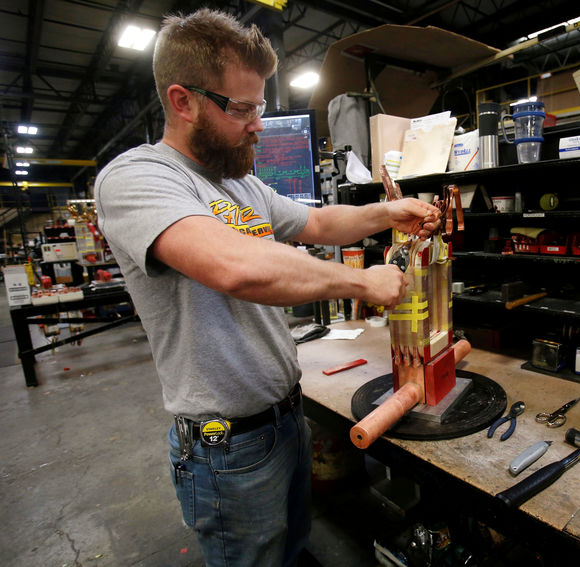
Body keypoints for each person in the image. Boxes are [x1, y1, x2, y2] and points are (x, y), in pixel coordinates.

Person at [94, 8, 441, 567]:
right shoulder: (138, 179)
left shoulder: (239, 182)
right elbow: (236, 267)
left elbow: (320, 224)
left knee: (294, 549)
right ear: (183, 101)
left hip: (286, 420)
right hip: (226, 446)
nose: (259, 122)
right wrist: (364, 281)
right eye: (243, 108)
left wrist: (388, 211)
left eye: (261, 106)